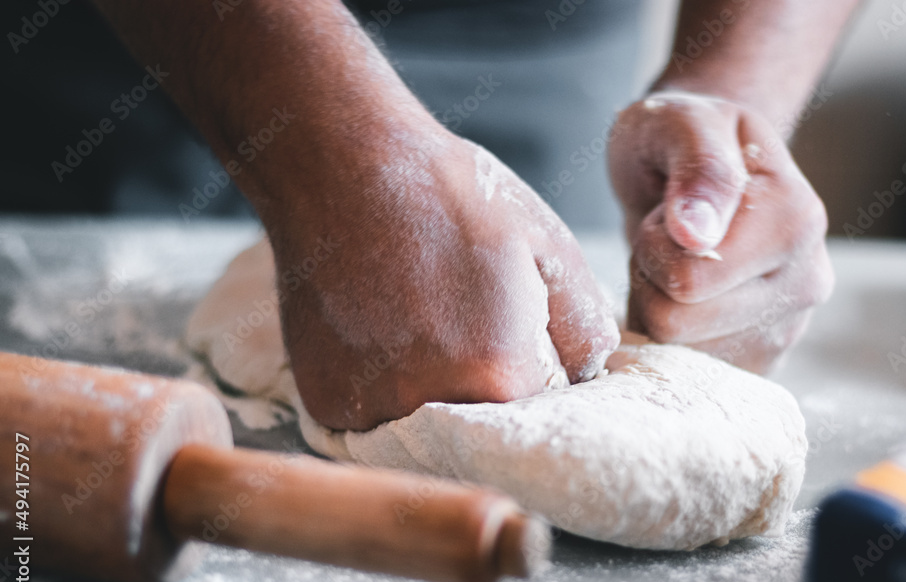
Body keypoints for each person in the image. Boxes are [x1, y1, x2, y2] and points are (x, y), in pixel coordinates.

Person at [76, 0, 852, 431]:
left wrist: (731, 101)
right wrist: (320, 136)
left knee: (539, 356)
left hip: (550, 65)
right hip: (157, 73)